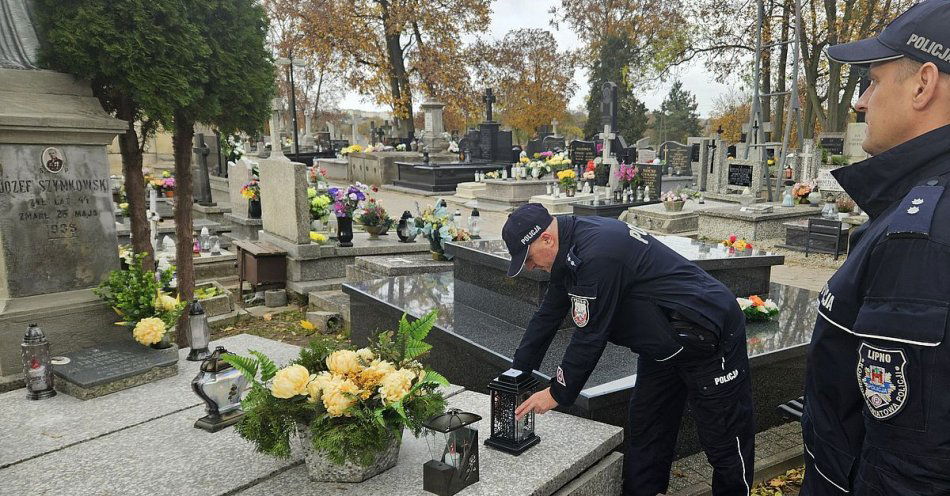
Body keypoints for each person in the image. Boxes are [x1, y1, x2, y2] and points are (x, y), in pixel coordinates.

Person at [502, 204, 755, 496]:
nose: (530, 267)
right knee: (647, 425)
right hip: (663, 342)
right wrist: (517, 370)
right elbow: (548, 314)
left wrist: (556, 393)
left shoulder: (597, 253)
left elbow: (590, 334)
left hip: (708, 334)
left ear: (546, 238)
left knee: (724, 438)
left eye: (529, 258)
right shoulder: (568, 249)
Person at [801, 1, 950, 493]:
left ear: (923, 84)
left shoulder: (920, 238)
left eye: (873, 81)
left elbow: (908, 468)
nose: (861, 103)